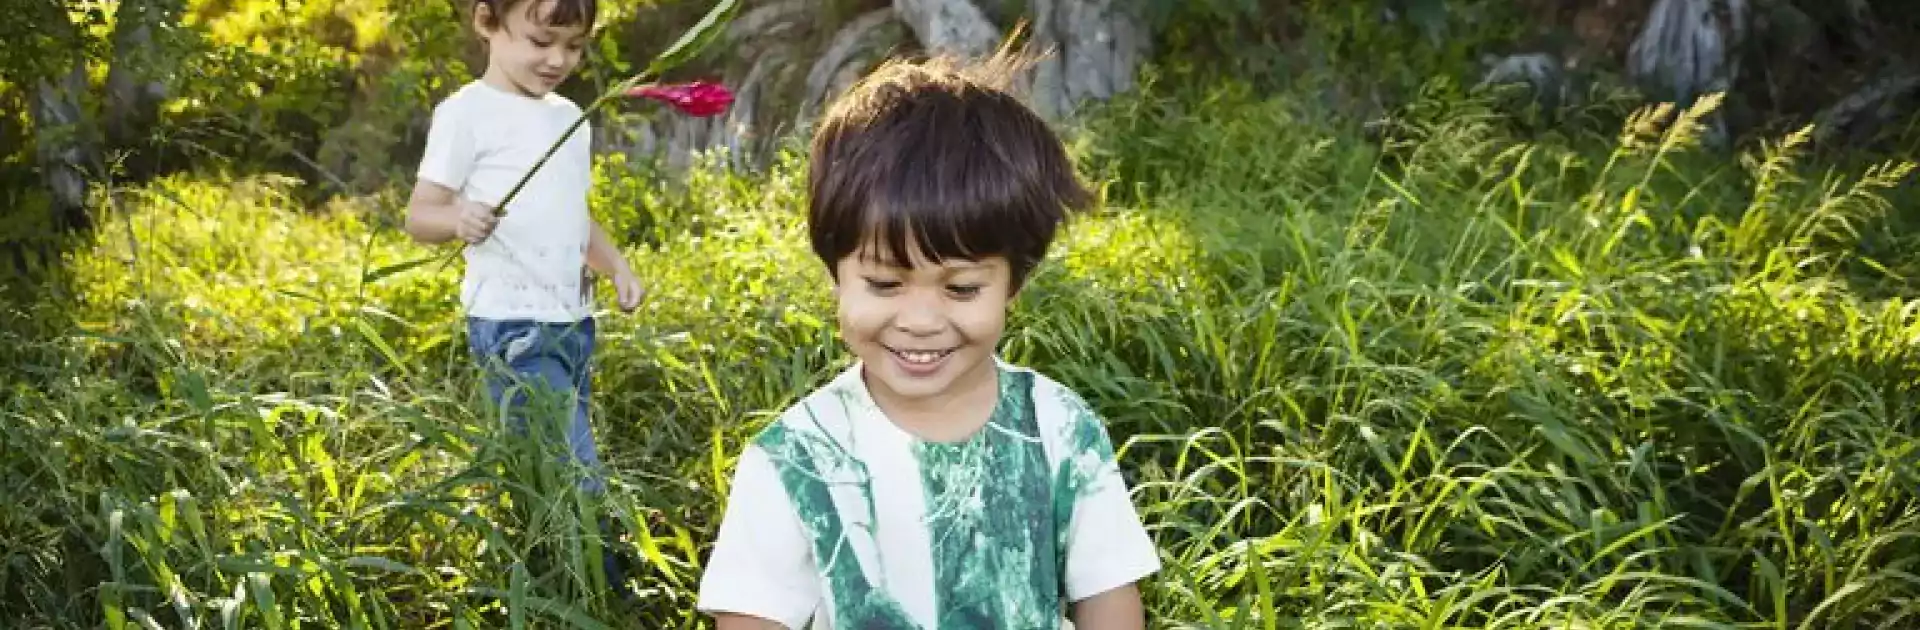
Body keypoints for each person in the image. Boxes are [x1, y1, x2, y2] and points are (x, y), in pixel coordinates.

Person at [695, 50, 1160, 629]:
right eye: (885, 283)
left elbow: (1107, 596)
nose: (920, 319)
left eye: (962, 289)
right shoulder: (796, 457)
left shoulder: (1059, 427)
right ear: (835, 272)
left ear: (1014, 282)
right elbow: (751, 616)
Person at [401, 0, 642, 595]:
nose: (558, 59)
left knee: (549, 459)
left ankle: (549, 568)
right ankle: (600, 586)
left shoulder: (571, 117)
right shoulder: (467, 114)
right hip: (512, 326)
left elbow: (572, 214)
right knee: (571, 465)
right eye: (540, 42)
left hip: (573, 321)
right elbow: (419, 215)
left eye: (575, 46)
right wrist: (459, 217)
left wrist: (615, 266)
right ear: (488, 23)